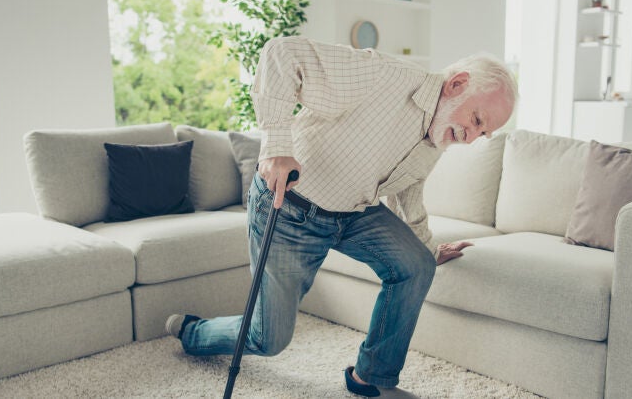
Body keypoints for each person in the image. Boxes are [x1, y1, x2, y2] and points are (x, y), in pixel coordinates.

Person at [166, 36, 517, 396]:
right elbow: (280, 53)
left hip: (354, 214)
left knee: (416, 266)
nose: (471, 138)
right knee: (268, 338)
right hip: (289, 209)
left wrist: (426, 249)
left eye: (483, 133)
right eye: (476, 120)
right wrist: (276, 146)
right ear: (456, 84)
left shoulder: (439, 132)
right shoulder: (382, 75)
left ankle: (371, 377)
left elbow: (409, 192)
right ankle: (193, 333)